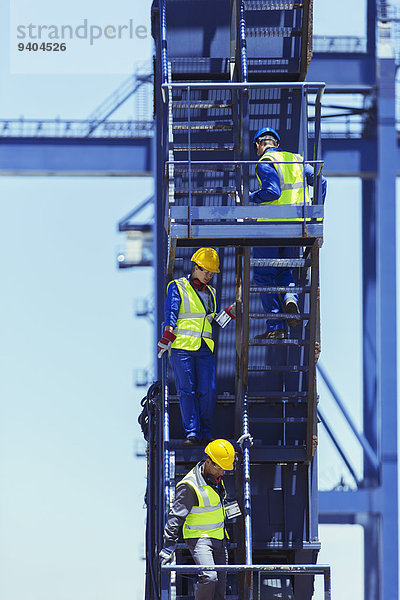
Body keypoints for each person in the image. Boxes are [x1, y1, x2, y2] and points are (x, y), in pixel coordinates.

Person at [249, 127, 327, 339]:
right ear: (277, 142)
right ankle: (290, 298)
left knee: (264, 276)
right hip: (296, 228)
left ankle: (276, 326)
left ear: (258, 145)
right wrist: (316, 216)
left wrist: (251, 197)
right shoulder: (296, 160)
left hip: (271, 228)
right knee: (284, 272)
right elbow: (321, 180)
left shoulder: (265, 162)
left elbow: (272, 192)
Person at [157, 248, 235, 445]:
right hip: (181, 347)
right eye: (205, 271)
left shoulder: (212, 293)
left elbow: (212, 321)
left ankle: (206, 432)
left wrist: (230, 313)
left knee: (208, 390)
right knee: (187, 390)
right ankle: (193, 433)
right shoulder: (178, 286)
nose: (208, 276)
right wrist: (167, 335)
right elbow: (171, 312)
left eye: (211, 272)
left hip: (204, 348)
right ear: (195, 267)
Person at [159, 439, 235, 600]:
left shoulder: (215, 479)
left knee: (220, 589)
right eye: (220, 468)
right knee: (209, 577)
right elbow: (175, 516)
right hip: (199, 539)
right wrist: (168, 546)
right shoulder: (189, 486)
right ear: (208, 462)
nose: (222, 473)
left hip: (219, 539)